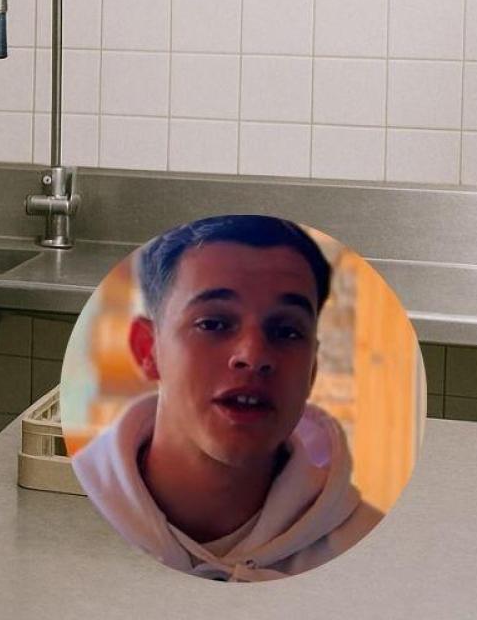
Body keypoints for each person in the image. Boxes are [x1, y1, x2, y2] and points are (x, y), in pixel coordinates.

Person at [72, 215, 384, 581]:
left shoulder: (369, 552)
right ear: (149, 349)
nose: (253, 355)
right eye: (214, 324)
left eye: (286, 330)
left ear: (311, 369)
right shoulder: (68, 512)